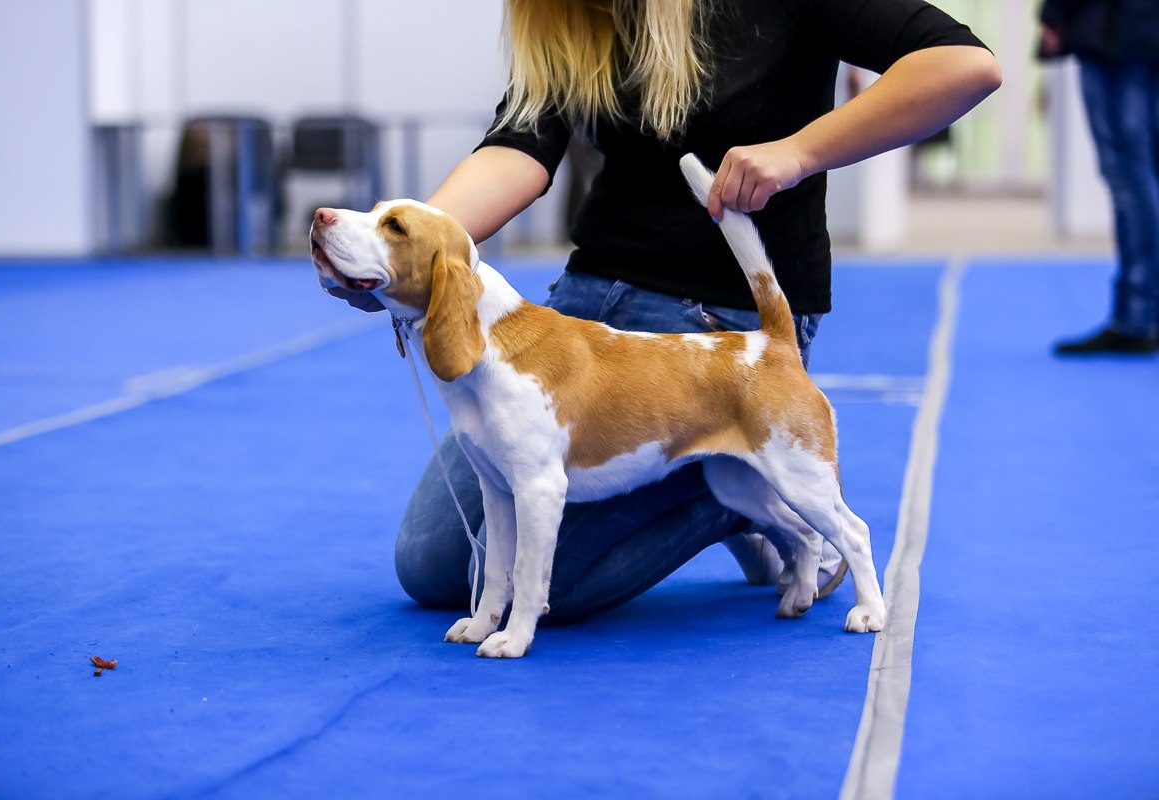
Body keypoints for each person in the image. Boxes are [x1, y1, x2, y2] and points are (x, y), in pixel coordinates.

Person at [339, 0, 1000, 621]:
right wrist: (404, 253)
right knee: (430, 564)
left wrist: (799, 152)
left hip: (726, 322)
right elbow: (520, 143)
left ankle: (751, 487)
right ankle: (730, 481)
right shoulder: (568, 14)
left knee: (539, 587)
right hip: (587, 306)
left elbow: (964, 65)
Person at [1039, 0, 1159, 355]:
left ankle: (1138, 317)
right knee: (1144, 172)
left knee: (1130, 175)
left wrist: (1055, 15)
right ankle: (1140, 313)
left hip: (1116, 32)